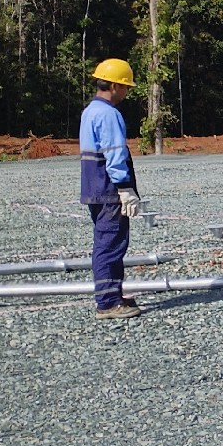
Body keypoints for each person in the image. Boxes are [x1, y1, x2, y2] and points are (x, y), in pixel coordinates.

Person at [81, 59, 143, 319]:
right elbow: (115, 155)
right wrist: (125, 188)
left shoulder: (90, 110)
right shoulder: (109, 114)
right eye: (126, 87)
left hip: (95, 187)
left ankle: (113, 295)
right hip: (109, 189)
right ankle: (107, 303)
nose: (127, 92)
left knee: (108, 243)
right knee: (110, 245)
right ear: (115, 86)